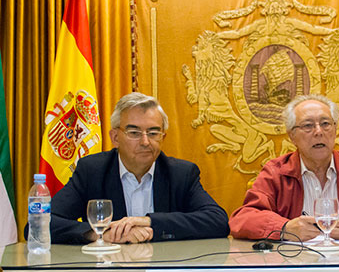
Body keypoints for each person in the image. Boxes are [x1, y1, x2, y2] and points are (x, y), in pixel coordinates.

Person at [45, 92, 229, 244]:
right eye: (134, 133)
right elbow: (42, 223)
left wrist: (149, 222)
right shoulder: (92, 170)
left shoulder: (180, 173)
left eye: (153, 133)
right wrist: (101, 235)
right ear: (115, 137)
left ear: (163, 137)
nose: (145, 142)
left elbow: (217, 221)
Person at [229, 94, 339, 241]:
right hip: (295, 266)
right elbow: (243, 218)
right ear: (292, 136)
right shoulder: (276, 172)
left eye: (326, 124)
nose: (319, 132)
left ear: (335, 130)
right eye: (308, 126)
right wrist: (285, 227)